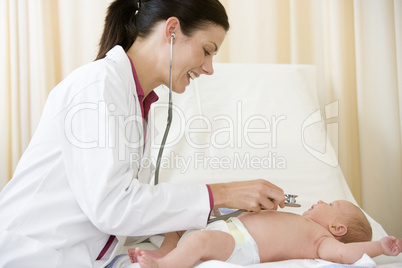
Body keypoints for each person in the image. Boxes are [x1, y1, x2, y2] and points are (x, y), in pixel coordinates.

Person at [0, 0, 286, 267]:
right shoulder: (98, 85)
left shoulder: (137, 102)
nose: (209, 68)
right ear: (172, 30)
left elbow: (129, 209)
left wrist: (210, 215)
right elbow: (113, 207)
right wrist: (222, 194)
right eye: (207, 50)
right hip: (33, 254)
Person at [128, 200, 402, 267]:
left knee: (201, 241)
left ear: (337, 228)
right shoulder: (300, 220)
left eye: (329, 205)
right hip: (228, 227)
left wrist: (379, 246)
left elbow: (345, 254)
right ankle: (163, 252)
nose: (319, 201)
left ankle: (164, 265)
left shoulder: (322, 240)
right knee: (181, 223)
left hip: (240, 244)